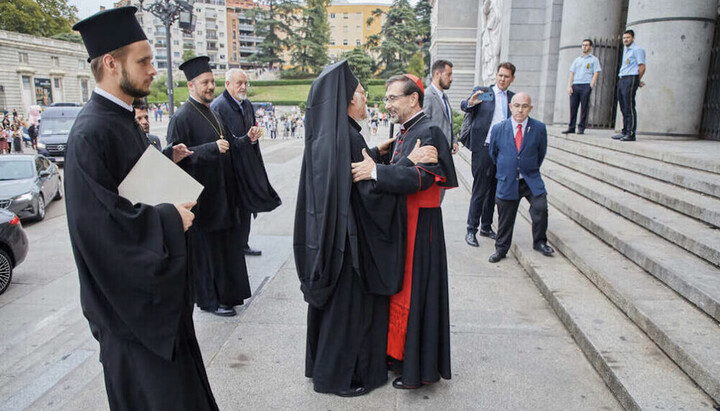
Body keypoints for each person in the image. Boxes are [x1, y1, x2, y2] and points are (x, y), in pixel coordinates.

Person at [65, 7, 217, 411]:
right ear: (112, 64)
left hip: (155, 308)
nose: (154, 70)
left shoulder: (120, 120)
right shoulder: (91, 132)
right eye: (144, 61)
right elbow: (99, 226)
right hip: (130, 317)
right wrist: (170, 218)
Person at [295, 60, 413, 397]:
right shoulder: (347, 135)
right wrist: (407, 166)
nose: (366, 101)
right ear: (347, 101)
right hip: (349, 247)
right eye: (361, 95)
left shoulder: (333, 134)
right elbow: (367, 191)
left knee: (333, 312)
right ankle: (340, 378)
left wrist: (375, 152)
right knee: (348, 314)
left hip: (330, 242)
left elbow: (344, 172)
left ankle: (323, 367)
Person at [351, 74, 457, 390]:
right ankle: (398, 356)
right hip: (403, 223)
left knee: (416, 296)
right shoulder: (406, 132)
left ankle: (417, 370)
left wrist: (375, 171)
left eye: (394, 98)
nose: (388, 104)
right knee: (400, 294)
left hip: (420, 226)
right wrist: (381, 155)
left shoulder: (430, 132)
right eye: (386, 99)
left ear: (413, 99)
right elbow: (404, 165)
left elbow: (420, 179)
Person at [165, 56, 262, 317]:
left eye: (212, 82)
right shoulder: (181, 118)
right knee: (208, 253)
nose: (210, 87)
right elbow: (175, 158)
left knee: (226, 249)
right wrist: (209, 149)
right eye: (205, 82)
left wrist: (247, 140)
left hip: (223, 196)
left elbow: (230, 145)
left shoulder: (213, 113)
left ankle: (230, 295)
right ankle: (210, 301)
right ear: (191, 86)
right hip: (203, 201)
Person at [211, 68, 281, 257]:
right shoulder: (219, 107)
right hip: (229, 167)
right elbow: (223, 140)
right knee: (234, 207)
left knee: (246, 207)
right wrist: (246, 139)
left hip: (246, 164)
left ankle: (243, 243)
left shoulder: (247, 104)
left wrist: (253, 137)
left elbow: (250, 131)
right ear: (227, 85)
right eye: (238, 83)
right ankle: (234, 245)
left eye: (245, 83)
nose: (243, 87)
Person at [488, 92, 555, 263]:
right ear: (510, 107)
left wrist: (527, 168)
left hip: (530, 179)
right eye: (516, 106)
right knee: (505, 217)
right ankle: (501, 249)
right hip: (508, 180)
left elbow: (541, 153)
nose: (520, 110)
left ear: (530, 108)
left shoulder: (539, 128)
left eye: (525, 106)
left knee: (540, 208)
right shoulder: (498, 129)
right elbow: (494, 154)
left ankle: (540, 242)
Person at [461, 62, 516, 246]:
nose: (502, 79)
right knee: (480, 190)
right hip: (483, 148)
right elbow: (465, 106)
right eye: (500, 75)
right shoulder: (486, 93)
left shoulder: (513, 99)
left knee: (493, 190)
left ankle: (486, 226)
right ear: (496, 76)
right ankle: (471, 229)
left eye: (506, 76)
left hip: (503, 151)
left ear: (512, 79)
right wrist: (470, 102)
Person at [561, 39, 601, 135]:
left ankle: (581, 127)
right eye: (583, 45)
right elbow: (572, 73)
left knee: (584, 107)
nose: (584, 47)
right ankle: (571, 127)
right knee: (573, 107)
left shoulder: (594, 60)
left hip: (586, 85)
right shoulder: (577, 60)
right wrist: (569, 86)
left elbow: (596, 72)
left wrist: (591, 85)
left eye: (586, 45)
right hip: (575, 85)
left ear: (591, 47)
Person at [612, 29, 646, 142]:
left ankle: (630, 133)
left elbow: (642, 67)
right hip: (622, 78)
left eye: (628, 38)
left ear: (633, 38)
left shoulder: (637, 50)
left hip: (630, 78)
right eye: (624, 38)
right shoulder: (626, 51)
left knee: (629, 106)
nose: (626, 40)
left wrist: (636, 80)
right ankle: (625, 130)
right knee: (623, 106)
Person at [423, 59, 458, 154]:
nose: (451, 79)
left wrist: (453, 140)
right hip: (434, 154)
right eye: (448, 75)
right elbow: (423, 127)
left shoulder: (444, 97)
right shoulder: (427, 96)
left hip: (446, 152)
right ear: (437, 74)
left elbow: (448, 123)